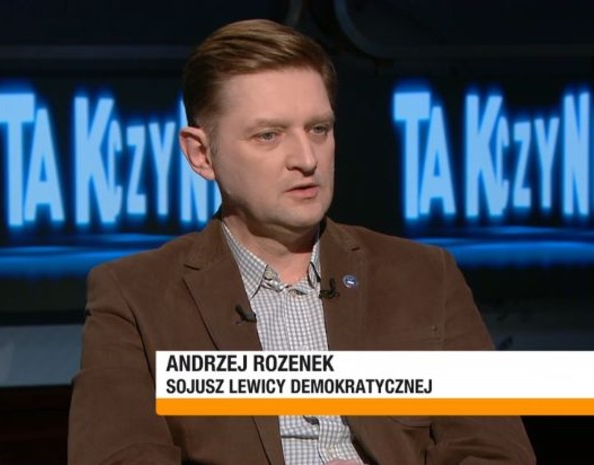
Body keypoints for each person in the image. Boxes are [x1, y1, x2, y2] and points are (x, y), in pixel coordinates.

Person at [68, 18, 535, 465]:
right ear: (201, 154)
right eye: (269, 135)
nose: (307, 159)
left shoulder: (425, 275)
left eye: (318, 129)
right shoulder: (134, 296)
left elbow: (495, 451)